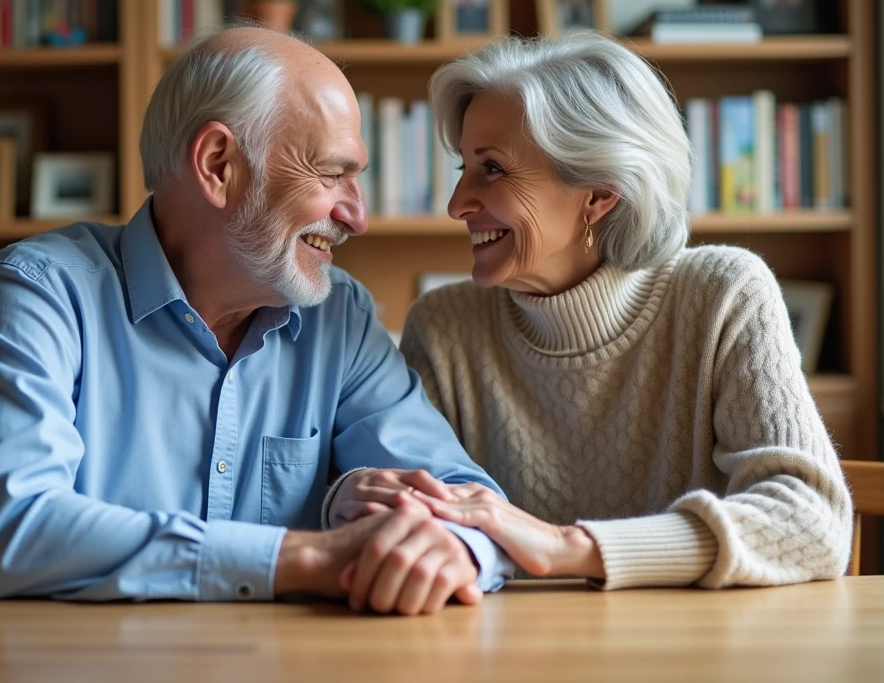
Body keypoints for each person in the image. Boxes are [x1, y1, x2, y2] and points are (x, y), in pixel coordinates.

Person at [0, 26, 513, 614]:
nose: (357, 215)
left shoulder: (339, 317)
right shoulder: (41, 291)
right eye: (331, 173)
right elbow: (16, 530)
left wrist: (454, 549)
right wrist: (310, 558)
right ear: (218, 165)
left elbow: (475, 509)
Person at [328, 33, 853, 590]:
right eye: (463, 167)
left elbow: (811, 523)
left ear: (599, 195)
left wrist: (565, 547)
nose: (458, 204)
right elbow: (426, 521)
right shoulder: (444, 326)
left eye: (493, 169)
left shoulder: (723, 295)